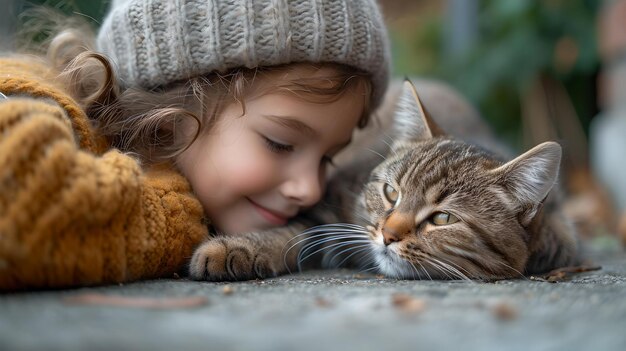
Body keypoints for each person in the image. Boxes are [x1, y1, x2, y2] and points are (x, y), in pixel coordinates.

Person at [0, 0, 390, 290]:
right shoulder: (38, 102)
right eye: (280, 144)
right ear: (169, 112)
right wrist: (175, 215)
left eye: (326, 159)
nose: (311, 189)